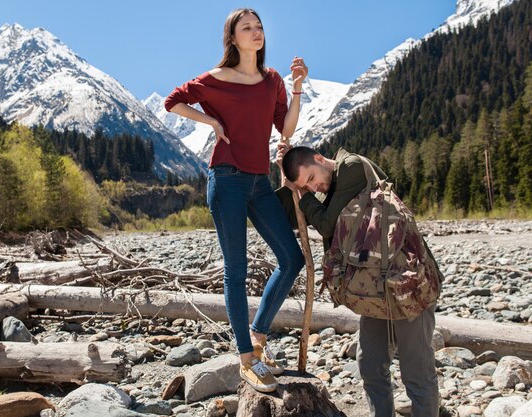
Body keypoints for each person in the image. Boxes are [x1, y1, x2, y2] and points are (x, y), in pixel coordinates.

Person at [164, 8, 308, 393]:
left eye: (259, 27)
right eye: (247, 28)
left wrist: (296, 88)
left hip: (260, 182)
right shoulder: (214, 79)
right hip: (226, 180)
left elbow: (286, 129)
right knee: (237, 271)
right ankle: (247, 360)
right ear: (232, 38)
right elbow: (172, 102)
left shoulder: (272, 79)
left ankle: (259, 336)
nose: (257, 32)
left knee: (292, 259)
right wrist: (210, 122)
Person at [276, 145, 440, 417]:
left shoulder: (351, 167)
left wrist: (304, 193)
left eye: (312, 178)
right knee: (370, 365)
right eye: (308, 184)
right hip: (373, 287)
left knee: (417, 374)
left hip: (406, 283)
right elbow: (297, 218)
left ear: (320, 159)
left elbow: (326, 224)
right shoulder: (331, 187)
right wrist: (289, 185)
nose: (315, 185)